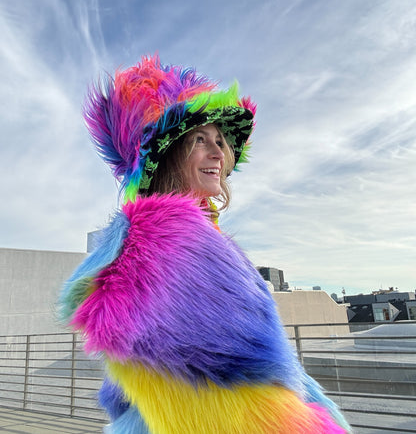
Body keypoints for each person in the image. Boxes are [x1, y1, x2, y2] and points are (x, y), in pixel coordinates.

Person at [58, 55, 350, 433]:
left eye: (220, 141)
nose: (219, 152)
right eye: (199, 140)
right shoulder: (167, 243)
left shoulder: (188, 237)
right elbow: (232, 405)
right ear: (167, 154)